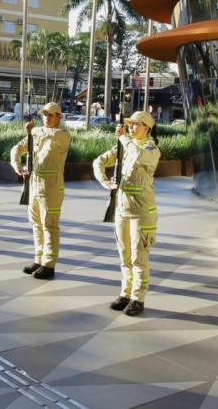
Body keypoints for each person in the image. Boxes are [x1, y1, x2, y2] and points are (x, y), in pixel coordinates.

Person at [93, 111, 161, 316]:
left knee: (139, 256)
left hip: (142, 212)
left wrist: (123, 137)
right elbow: (99, 161)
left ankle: (138, 298)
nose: (131, 128)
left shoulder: (150, 149)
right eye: (129, 125)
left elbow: (138, 156)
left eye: (135, 125)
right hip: (122, 209)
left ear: (147, 128)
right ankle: (126, 293)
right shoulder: (125, 146)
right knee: (125, 254)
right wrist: (105, 182)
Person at [11, 102, 72, 280]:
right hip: (34, 185)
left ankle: (49, 264)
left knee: (49, 225)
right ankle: (39, 259)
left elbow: (47, 133)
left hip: (51, 188)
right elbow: (17, 148)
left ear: (59, 117)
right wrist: (18, 166)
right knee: (36, 224)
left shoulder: (62, 135)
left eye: (51, 115)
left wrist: (32, 131)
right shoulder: (38, 134)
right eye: (45, 114)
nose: (47, 118)